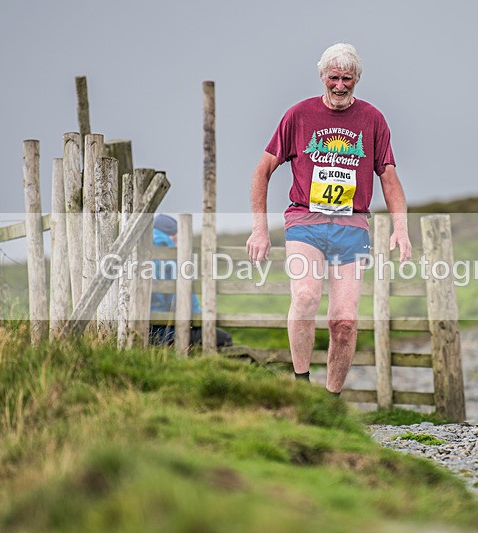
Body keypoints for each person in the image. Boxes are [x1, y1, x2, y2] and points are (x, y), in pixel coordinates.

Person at [246, 43, 411, 395]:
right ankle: (303, 388)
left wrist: (401, 227)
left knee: (345, 322)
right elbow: (262, 171)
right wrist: (260, 229)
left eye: (347, 79)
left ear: (357, 79)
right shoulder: (299, 116)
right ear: (322, 77)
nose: (340, 85)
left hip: (352, 226)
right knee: (305, 297)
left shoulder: (373, 119)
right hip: (305, 221)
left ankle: (331, 400)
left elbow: (390, 177)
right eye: (333, 78)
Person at [150, 214, 233, 349]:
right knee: (224, 339)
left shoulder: (140, 249)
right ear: (173, 236)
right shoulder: (172, 257)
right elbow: (184, 299)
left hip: (141, 329)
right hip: (166, 332)